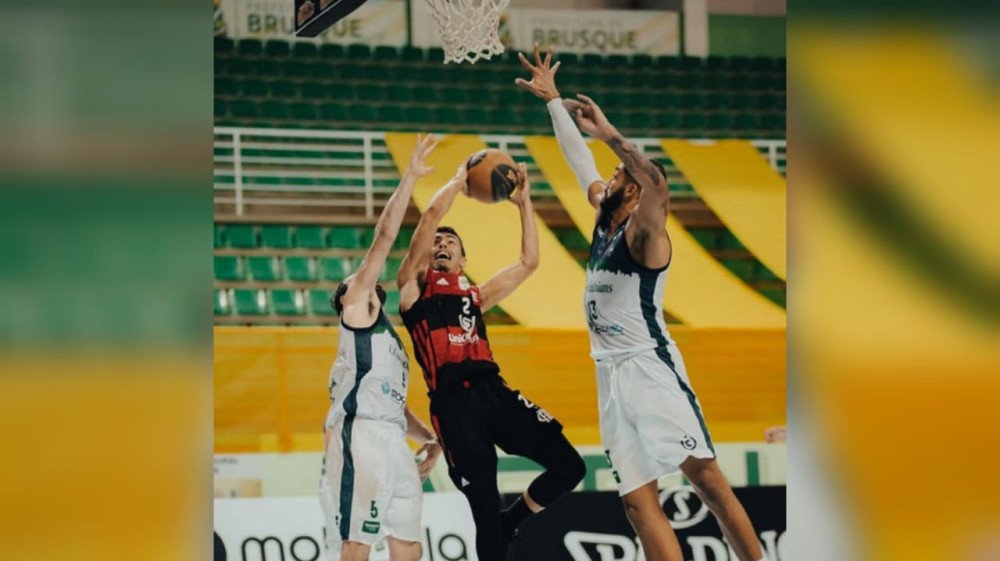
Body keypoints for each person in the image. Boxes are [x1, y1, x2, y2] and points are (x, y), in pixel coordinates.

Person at [516, 44, 766, 561]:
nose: (609, 180)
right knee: (635, 502)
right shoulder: (605, 218)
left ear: (636, 196)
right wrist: (554, 103)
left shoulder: (645, 236)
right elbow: (579, 160)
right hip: (608, 375)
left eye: (620, 180)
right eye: (614, 177)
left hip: (650, 368)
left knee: (707, 481)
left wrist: (610, 135)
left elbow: (654, 180)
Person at [396, 158, 585, 561]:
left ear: (463, 260)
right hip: (453, 409)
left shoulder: (475, 296)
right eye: (437, 242)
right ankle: (497, 527)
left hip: (495, 395)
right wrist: (459, 178)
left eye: (451, 242)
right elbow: (431, 214)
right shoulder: (413, 290)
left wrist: (524, 203)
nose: (441, 243)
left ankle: (511, 520)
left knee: (570, 467)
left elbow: (528, 263)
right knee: (484, 515)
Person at [319, 134, 443, 561]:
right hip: (362, 435)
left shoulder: (387, 339)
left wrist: (434, 439)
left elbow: (395, 405)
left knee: (408, 542)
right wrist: (409, 177)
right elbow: (385, 236)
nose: (362, 280)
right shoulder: (355, 311)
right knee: (358, 541)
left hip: (391, 436)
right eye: (356, 282)